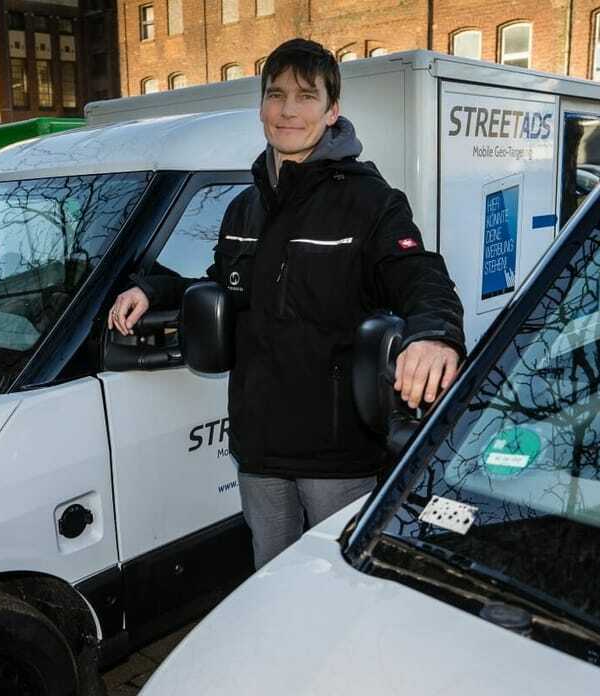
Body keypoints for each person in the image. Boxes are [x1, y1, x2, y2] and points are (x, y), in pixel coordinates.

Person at [107, 38, 466, 569]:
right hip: (259, 443)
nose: (288, 110)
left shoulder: (370, 200)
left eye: (305, 96)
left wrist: (435, 333)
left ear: (332, 110)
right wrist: (151, 289)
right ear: (261, 108)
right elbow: (221, 283)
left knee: (338, 578)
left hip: (336, 449)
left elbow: (419, 274)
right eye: (276, 95)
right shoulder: (244, 208)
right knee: (271, 573)